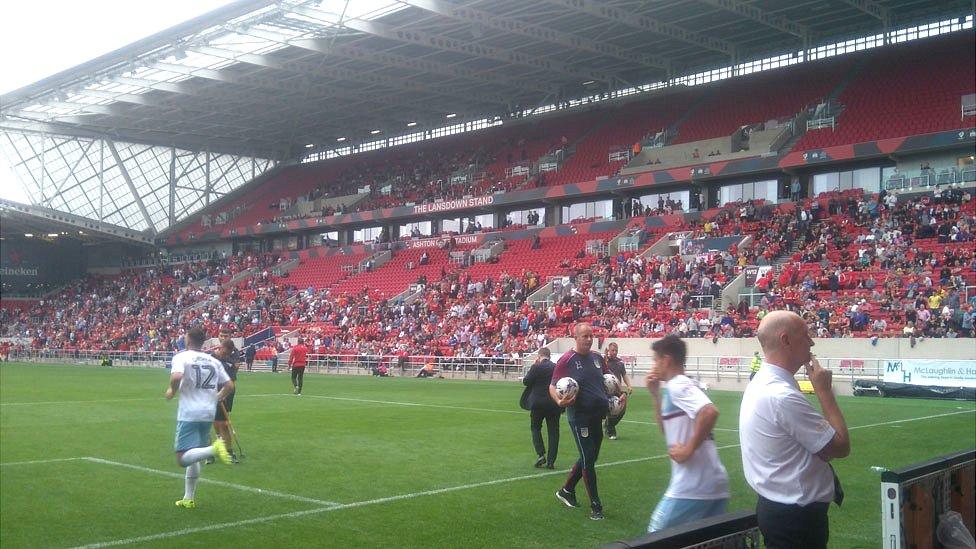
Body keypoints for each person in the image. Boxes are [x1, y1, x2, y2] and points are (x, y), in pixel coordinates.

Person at [740, 311, 850, 549]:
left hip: (781, 509)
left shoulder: (762, 383)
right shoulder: (781, 396)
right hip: (796, 518)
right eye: (805, 335)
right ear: (786, 340)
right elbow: (841, 446)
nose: (811, 342)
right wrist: (824, 392)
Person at [645, 335, 729, 532]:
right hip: (713, 485)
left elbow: (709, 411)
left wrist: (688, 450)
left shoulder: (678, 385)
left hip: (693, 486)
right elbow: (666, 431)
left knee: (655, 538)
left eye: (656, 360)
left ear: (666, 360)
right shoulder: (679, 386)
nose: (654, 365)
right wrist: (655, 395)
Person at [551, 323, 620, 521]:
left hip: (597, 415)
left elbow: (609, 382)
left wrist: (619, 396)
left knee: (590, 456)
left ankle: (566, 490)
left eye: (591, 335)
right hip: (579, 416)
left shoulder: (598, 358)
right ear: (576, 337)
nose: (589, 339)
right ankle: (596, 506)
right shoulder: (567, 360)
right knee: (588, 460)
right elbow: (552, 386)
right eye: (585, 336)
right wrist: (558, 400)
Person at [165, 326, 234, 509]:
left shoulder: (181, 357)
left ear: (188, 340)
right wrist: (216, 398)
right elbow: (229, 385)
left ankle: (215, 448)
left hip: (189, 413)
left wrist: (172, 389)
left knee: (182, 458)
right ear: (202, 342)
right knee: (195, 454)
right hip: (207, 413)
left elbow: (177, 375)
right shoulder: (213, 360)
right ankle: (189, 498)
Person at [522, 348, 562, 469]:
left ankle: (541, 454)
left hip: (537, 403)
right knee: (554, 432)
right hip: (553, 403)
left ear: (539, 356)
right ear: (549, 356)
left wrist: (534, 366)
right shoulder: (556, 367)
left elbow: (526, 381)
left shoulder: (536, 367)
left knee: (535, 428)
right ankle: (551, 461)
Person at [212, 337, 240, 463]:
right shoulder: (209, 358)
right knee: (208, 422)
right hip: (208, 395)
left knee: (223, 424)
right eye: (224, 352)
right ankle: (209, 453)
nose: (226, 355)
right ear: (221, 347)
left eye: (228, 354)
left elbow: (232, 382)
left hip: (223, 395)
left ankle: (229, 451)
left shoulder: (229, 362)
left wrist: (224, 395)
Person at [603, 342, 633, 440]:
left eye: (616, 350)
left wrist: (629, 385)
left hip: (617, 390)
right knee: (609, 409)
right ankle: (610, 429)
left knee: (621, 410)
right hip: (606, 389)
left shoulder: (620, 363)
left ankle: (608, 424)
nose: (614, 352)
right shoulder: (604, 361)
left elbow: (624, 375)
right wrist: (605, 358)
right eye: (612, 350)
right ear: (609, 350)